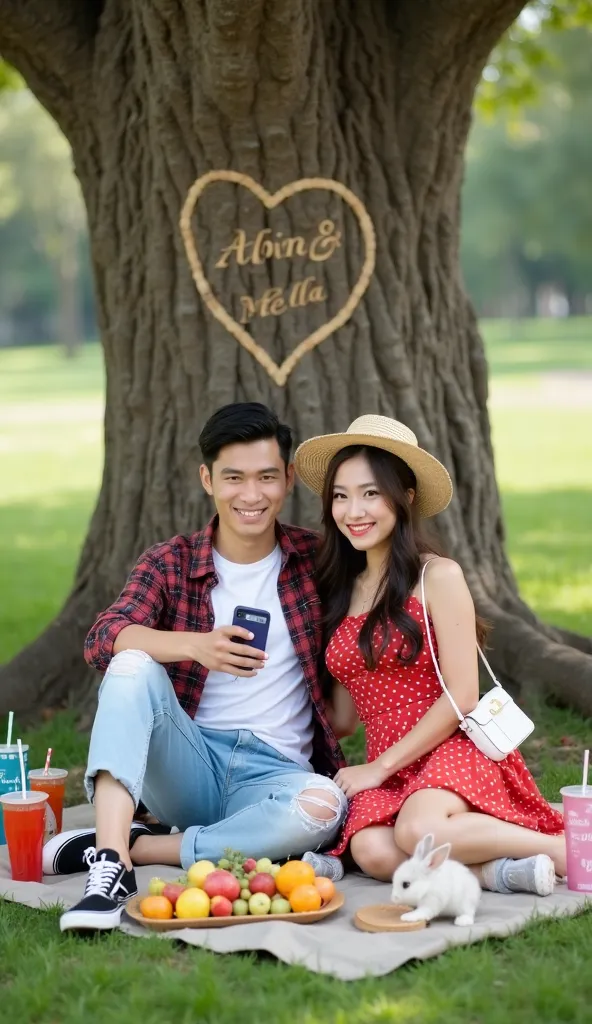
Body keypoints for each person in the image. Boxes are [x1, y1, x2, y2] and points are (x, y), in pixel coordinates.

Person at [46, 402, 347, 932]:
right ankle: (112, 867)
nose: (250, 496)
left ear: (289, 480)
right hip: (190, 762)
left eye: (266, 478)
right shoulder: (171, 562)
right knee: (130, 664)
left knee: (323, 807)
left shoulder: (318, 560)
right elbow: (102, 638)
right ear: (207, 479)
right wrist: (195, 646)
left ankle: (137, 847)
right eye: (233, 478)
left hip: (277, 774)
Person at [294, 415, 566, 895]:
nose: (353, 510)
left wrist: (376, 770)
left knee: (416, 831)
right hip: (390, 761)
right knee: (372, 851)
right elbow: (344, 717)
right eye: (340, 495)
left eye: (371, 493)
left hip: (450, 746)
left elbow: (463, 693)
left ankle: (566, 850)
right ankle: (497, 871)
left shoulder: (437, 576)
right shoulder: (337, 590)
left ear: (406, 497)